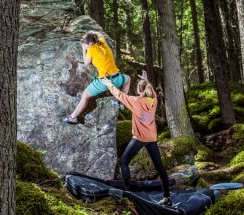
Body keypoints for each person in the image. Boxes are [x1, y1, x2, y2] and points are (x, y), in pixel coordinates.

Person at [102, 70, 172, 206]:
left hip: (139, 138)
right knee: (160, 167)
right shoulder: (154, 100)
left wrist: (108, 83)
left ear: (139, 90)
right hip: (152, 138)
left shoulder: (136, 101)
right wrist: (146, 79)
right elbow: (151, 90)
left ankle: (128, 193)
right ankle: (167, 197)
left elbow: (120, 95)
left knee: (123, 162)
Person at [63, 30, 131, 124]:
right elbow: (100, 34)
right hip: (117, 78)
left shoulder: (90, 50)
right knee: (128, 79)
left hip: (104, 82)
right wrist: (90, 33)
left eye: (85, 44)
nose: (85, 46)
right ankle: (121, 103)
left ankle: (72, 117)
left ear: (89, 43)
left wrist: (84, 50)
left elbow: (86, 63)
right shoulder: (103, 42)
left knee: (85, 96)